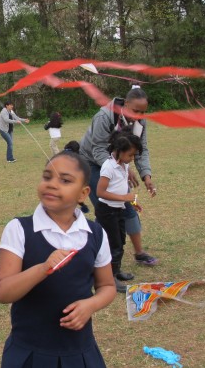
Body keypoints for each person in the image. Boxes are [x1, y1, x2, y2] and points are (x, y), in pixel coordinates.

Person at [0, 143, 116, 367]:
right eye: (47, 176)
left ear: (83, 193)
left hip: (79, 352)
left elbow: (107, 286)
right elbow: (3, 292)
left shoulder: (95, 234)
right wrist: (43, 269)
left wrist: (91, 305)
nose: (52, 184)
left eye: (65, 180)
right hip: (30, 353)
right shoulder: (20, 229)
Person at [79, 86, 159, 278]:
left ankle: (139, 253)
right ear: (126, 104)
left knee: (127, 206)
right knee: (107, 210)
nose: (138, 115)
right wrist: (122, 166)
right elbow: (98, 149)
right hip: (94, 161)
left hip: (120, 162)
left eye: (143, 112)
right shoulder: (104, 117)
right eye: (135, 110)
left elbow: (141, 149)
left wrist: (146, 176)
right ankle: (101, 261)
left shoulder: (140, 122)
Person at [95, 129, 143, 293]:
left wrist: (133, 202)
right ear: (119, 151)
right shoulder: (108, 167)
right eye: (130, 154)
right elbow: (100, 192)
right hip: (106, 211)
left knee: (120, 242)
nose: (132, 158)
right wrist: (125, 198)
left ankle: (116, 272)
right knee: (113, 245)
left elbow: (124, 188)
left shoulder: (124, 164)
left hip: (119, 210)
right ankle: (109, 279)